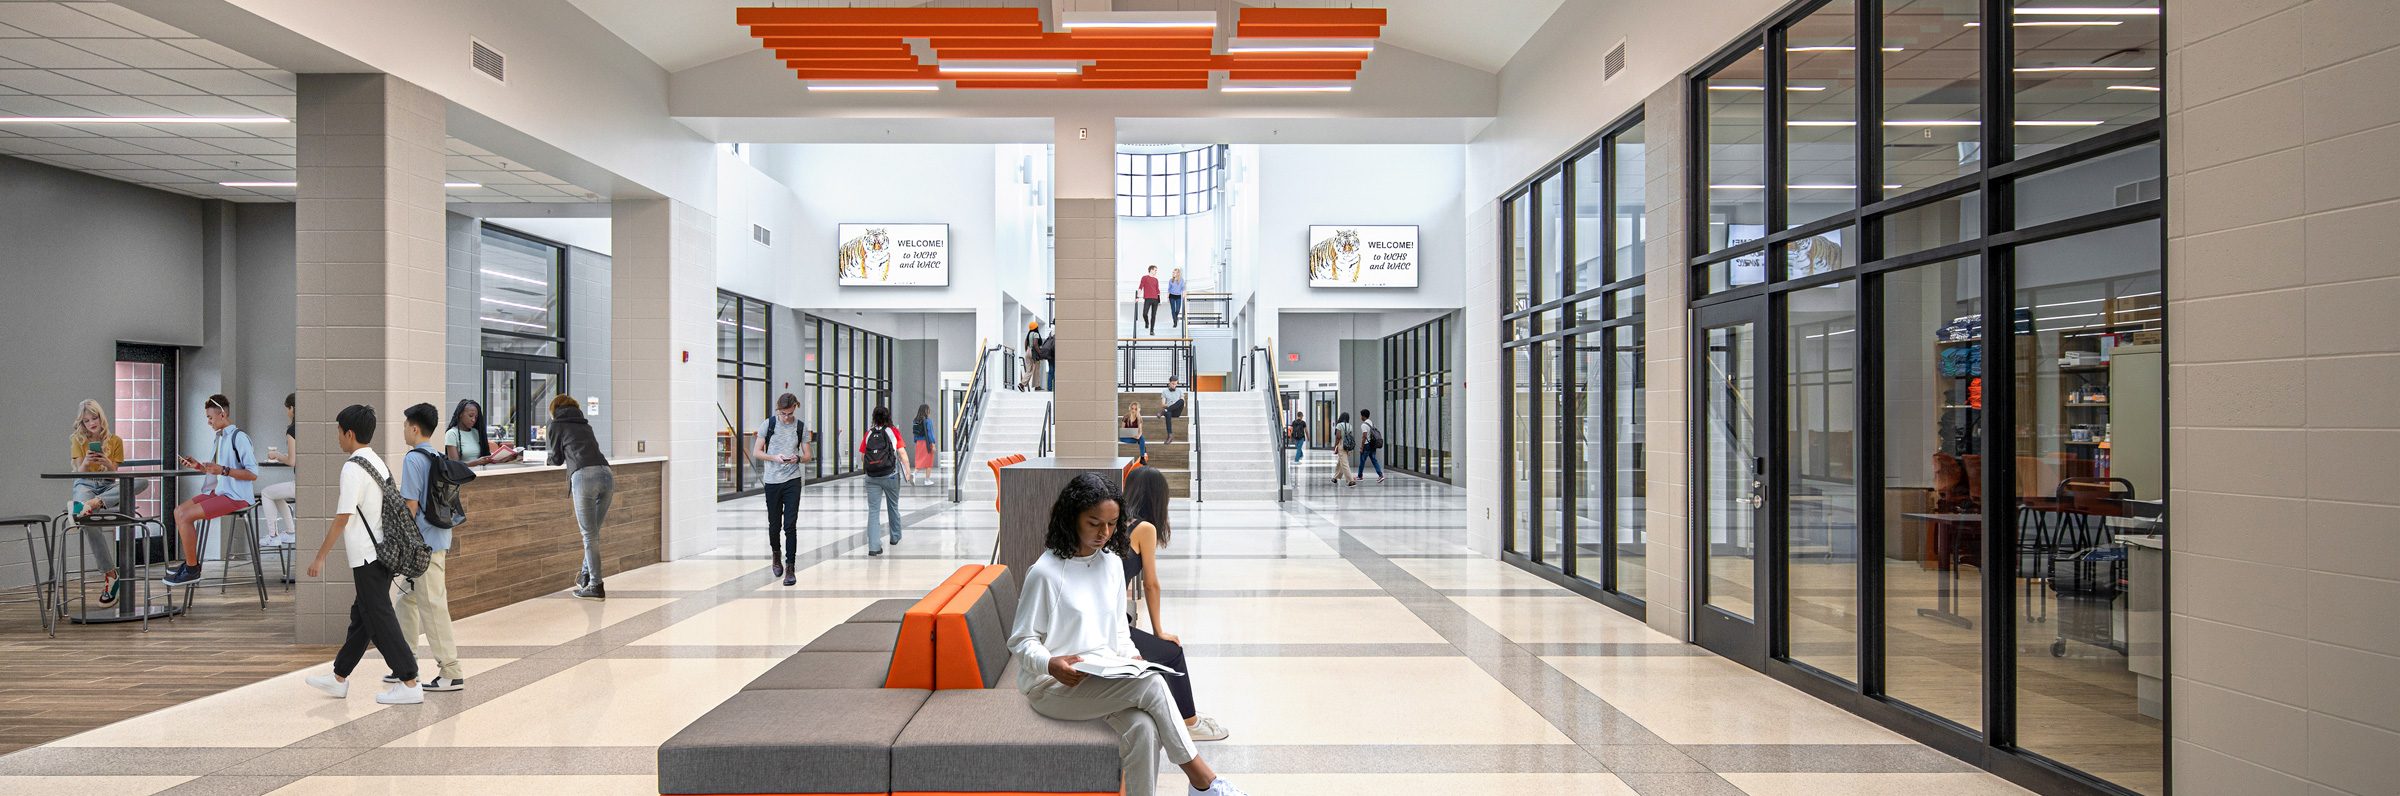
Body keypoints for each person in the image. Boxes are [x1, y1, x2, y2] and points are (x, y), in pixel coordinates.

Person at [1008, 473, 1248, 796]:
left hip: (1103, 676)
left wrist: (1131, 657)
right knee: (1152, 683)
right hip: (1053, 686)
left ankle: (1198, 786)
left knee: (1145, 729)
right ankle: (1205, 781)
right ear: (1072, 517)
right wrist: (1051, 664)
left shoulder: (1110, 565)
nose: (1104, 533)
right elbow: (1022, 641)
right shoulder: (1045, 573)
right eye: (1094, 523)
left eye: (1111, 524)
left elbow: (1120, 628)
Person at [302, 404, 423, 705]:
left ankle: (409, 681)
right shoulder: (376, 461)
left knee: (380, 618)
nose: (337, 438)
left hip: (368, 557)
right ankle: (338, 677)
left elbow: (343, 516)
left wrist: (320, 557)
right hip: (381, 554)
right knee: (363, 618)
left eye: (339, 432)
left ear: (349, 433)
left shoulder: (353, 467)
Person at [1122, 466, 1230, 742]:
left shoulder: (1117, 521)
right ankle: (1190, 723)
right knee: (1171, 652)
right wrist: (1159, 631)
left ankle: (1177, 715)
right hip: (1107, 625)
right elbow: (1151, 584)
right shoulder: (1143, 528)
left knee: (1158, 654)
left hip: (1105, 618)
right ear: (1157, 498)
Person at [390, 403, 466, 691]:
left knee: (433, 607)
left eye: (404, 426)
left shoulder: (413, 459)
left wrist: (398, 538)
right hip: (437, 539)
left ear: (414, 428)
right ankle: (406, 663)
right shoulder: (436, 455)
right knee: (406, 599)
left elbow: (410, 505)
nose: (403, 431)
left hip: (422, 546)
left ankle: (451, 671)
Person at [164, 394, 257, 586]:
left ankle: (192, 569)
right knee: (178, 511)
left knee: (186, 516)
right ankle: (191, 564)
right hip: (220, 491)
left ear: (222, 414)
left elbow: (253, 474)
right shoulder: (219, 438)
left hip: (237, 496)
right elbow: (215, 470)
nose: (208, 422)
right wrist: (197, 466)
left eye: (210, 417)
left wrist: (223, 470)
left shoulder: (239, 438)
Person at [547, 395, 612, 600]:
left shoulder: (556, 424)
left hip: (584, 476)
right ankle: (586, 576)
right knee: (593, 533)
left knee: (589, 535)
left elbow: (556, 459)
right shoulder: (585, 425)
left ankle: (596, 585)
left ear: (554, 409)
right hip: (606, 474)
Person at [66, 400, 130, 605]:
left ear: (101, 418)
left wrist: (107, 463)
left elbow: (115, 474)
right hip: (85, 483)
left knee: (140, 481)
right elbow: (78, 472)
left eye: (94, 418)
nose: (91, 423)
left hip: (108, 486)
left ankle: (87, 506)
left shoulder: (115, 441)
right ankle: (111, 575)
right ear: (82, 424)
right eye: (86, 420)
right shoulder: (77, 439)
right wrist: (86, 462)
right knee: (87, 520)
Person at [751, 393, 811, 585]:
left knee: (790, 525)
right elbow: (757, 452)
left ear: (795, 406)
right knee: (774, 524)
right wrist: (774, 457)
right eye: (783, 413)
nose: (786, 417)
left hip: (792, 480)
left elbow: (808, 454)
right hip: (772, 481)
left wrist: (798, 458)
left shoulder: (800, 427)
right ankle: (776, 555)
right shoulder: (768, 425)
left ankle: (790, 568)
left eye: (789, 413)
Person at [857, 406, 909, 557]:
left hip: (872, 477)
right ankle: (895, 536)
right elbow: (902, 452)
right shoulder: (892, 431)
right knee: (893, 506)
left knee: (873, 511)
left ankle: (874, 546)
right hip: (890, 475)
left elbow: (862, 457)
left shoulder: (869, 433)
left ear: (874, 417)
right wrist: (907, 471)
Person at [260, 393, 298, 547]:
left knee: (266, 493)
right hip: (312, 484)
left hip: (299, 485)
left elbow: (291, 460)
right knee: (276, 495)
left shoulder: (293, 430)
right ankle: (290, 532)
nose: (287, 413)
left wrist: (276, 455)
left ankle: (273, 535)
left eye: (287, 409)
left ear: (292, 408)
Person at [443, 399, 522, 466]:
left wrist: (505, 458)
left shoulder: (475, 432)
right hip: (463, 477)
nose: (473, 420)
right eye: (470, 416)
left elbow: (484, 458)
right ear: (460, 414)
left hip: (481, 474)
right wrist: (476, 462)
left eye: (476, 417)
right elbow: (454, 465)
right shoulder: (452, 434)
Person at [909, 403, 938, 486]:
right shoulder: (928, 421)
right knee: (929, 461)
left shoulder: (915, 421)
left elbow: (915, 433)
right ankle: (927, 480)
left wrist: (916, 441)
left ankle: (914, 474)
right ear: (927, 411)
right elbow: (930, 433)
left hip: (918, 443)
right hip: (926, 443)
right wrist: (933, 444)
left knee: (919, 459)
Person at [1357, 408, 1386, 484]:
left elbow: (1364, 436)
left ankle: (1360, 476)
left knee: (1362, 461)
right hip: (1373, 444)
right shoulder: (1371, 423)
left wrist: (1361, 447)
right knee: (1374, 460)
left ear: (1363, 416)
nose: (1360, 417)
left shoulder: (1364, 425)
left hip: (1366, 445)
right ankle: (1380, 475)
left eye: (1361, 416)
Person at [1330, 411, 1357, 487]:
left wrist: (1335, 446)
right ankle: (1335, 478)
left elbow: (1338, 437)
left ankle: (1351, 480)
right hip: (1348, 445)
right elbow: (1349, 437)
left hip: (1341, 444)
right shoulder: (1350, 426)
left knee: (1344, 464)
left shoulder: (1339, 425)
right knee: (1340, 462)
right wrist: (1349, 449)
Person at [1137, 265, 1163, 336]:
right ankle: (1147, 322)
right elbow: (1140, 287)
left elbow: (1157, 290)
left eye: (1156, 270)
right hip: (1148, 299)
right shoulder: (1145, 278)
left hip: (1155, 300)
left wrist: (1159, 301)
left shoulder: (1156, 280)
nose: (1156, 271)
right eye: (1155, 270)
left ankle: (1152, 330)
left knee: (1153, 315)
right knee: (1144, 313)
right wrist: (1137, 297)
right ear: (1151, 270)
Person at [1022, 320, 1046, 392]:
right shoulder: (1036, 334)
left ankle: (1036, 386)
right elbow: (1035, 344)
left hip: (1028, 352)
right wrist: (1040, 353)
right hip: (1034, 353)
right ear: (1036, 327)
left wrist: (1027, 350)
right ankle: (1022, 384)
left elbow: (1025, 343)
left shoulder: (1029, 334)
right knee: (1036, 370)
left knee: (1029, 369)